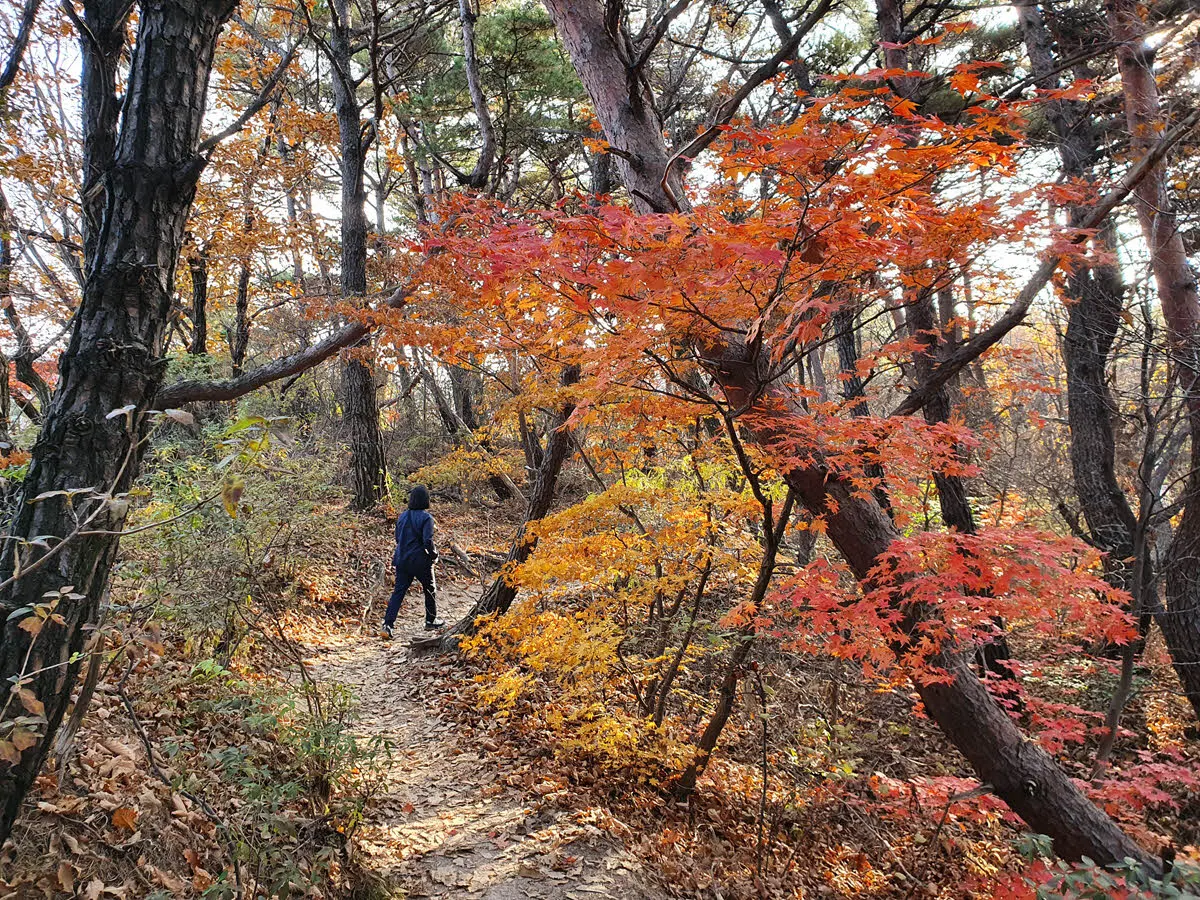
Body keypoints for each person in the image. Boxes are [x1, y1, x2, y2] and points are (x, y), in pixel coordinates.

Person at [383, 484, 445, 637]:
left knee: (398, 592)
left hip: (402, 558)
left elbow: (398, 538)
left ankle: (387, 624)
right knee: (430, 589)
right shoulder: (427, 518)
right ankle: (431, 620)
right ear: (426, 500)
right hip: (420, 561)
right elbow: (427, 540)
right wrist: (434, 555)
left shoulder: (402, 516)